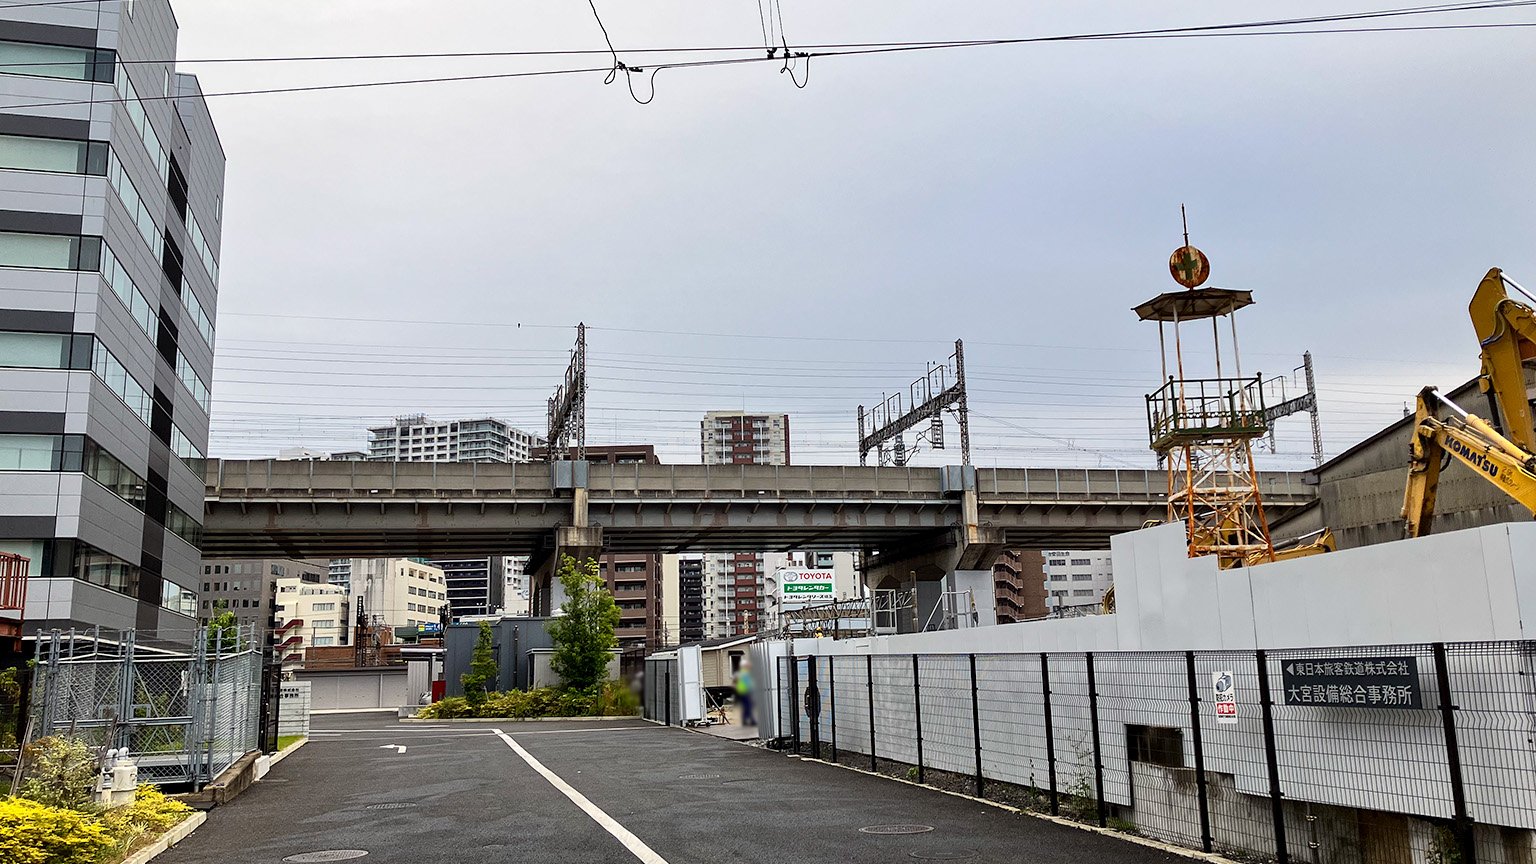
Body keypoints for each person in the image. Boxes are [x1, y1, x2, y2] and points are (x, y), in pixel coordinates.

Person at [734, 659, 755, 726]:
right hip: (745, 692)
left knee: (747, 706)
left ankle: (747, 720)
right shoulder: (744, 673)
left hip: (743, 692)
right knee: (748, 706)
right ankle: (750, 720)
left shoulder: (742, 673)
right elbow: (747, 683)